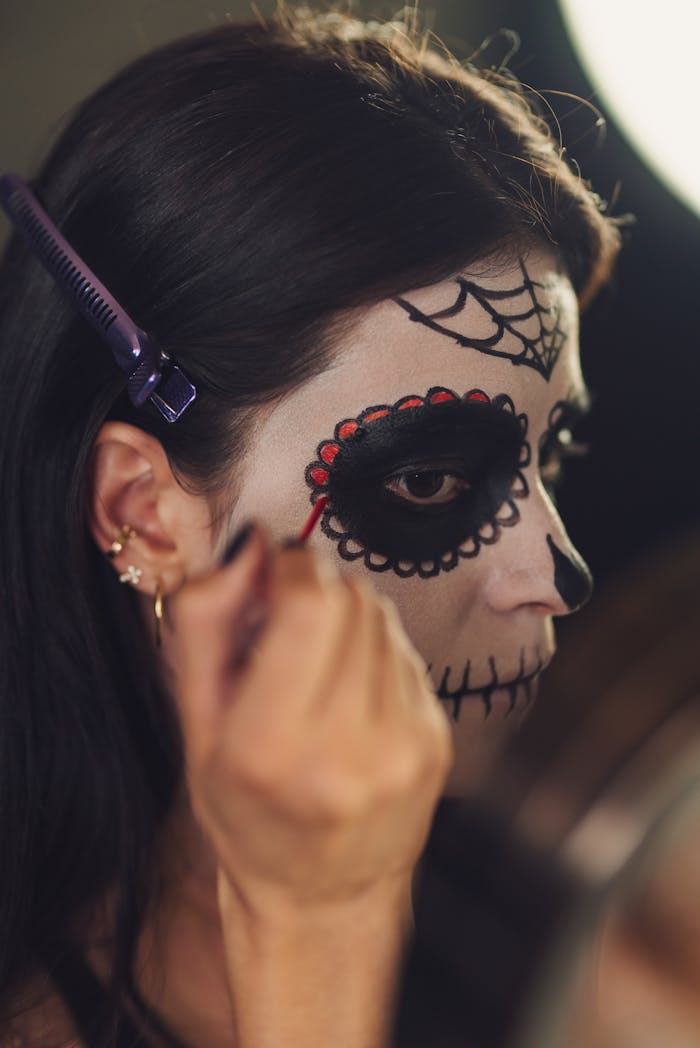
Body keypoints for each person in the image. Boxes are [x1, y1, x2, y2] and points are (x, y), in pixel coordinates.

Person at [0, 7, 620, 1046]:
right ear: (144, 515)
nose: (555, 572)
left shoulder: (585, 933)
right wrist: (321, 926)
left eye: (546, 455)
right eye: (428, 481)